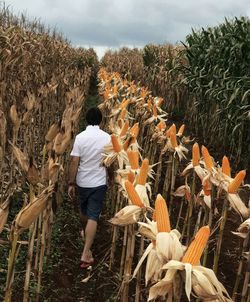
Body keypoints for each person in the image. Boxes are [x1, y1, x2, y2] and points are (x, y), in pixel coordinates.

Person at [68, 107, 111, 268]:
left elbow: (74, 161)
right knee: (93, 216)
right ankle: (86, 248)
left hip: (82, 181)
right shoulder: (107, 138)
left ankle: (86, 249)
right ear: (101, 121)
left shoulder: (80, 137)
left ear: (86, 120)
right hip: (99, 182)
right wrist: (111, 176)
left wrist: (71, 183)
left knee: (84, 211)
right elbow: (109, 161)